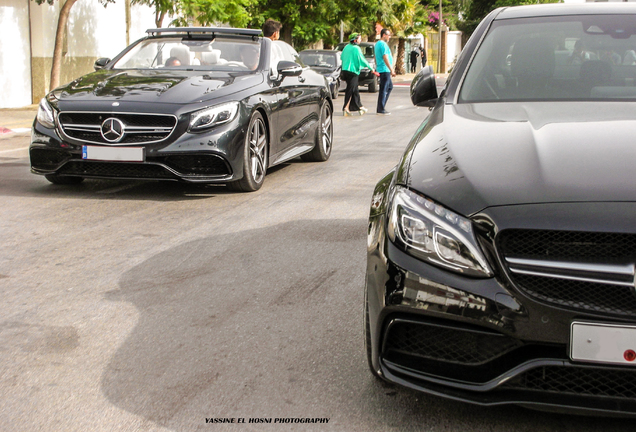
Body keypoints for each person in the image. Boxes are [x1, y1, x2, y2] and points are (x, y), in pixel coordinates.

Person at [341, 32, 375, 116]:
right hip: (353, 71)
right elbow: (362, 59)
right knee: (350, 89)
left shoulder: (346, 47)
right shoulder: (356, 48)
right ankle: (346, 108)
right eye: (360, 38)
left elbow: (341, 57)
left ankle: (360, 107)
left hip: (345, 70)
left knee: (355, 89)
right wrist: (371, 68)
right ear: (355, 40)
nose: (361, 40)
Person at [374, 28, 396, 116]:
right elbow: (385, 57)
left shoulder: (377, 44)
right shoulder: (383, 45)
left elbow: (376, 57)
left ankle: (381, 106)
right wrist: (391, 70)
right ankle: (381, 108)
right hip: (385, 69)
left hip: (382, 68)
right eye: (388, 35)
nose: (389, 37)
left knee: (389, 87)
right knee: (384, 89)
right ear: (384, 35)